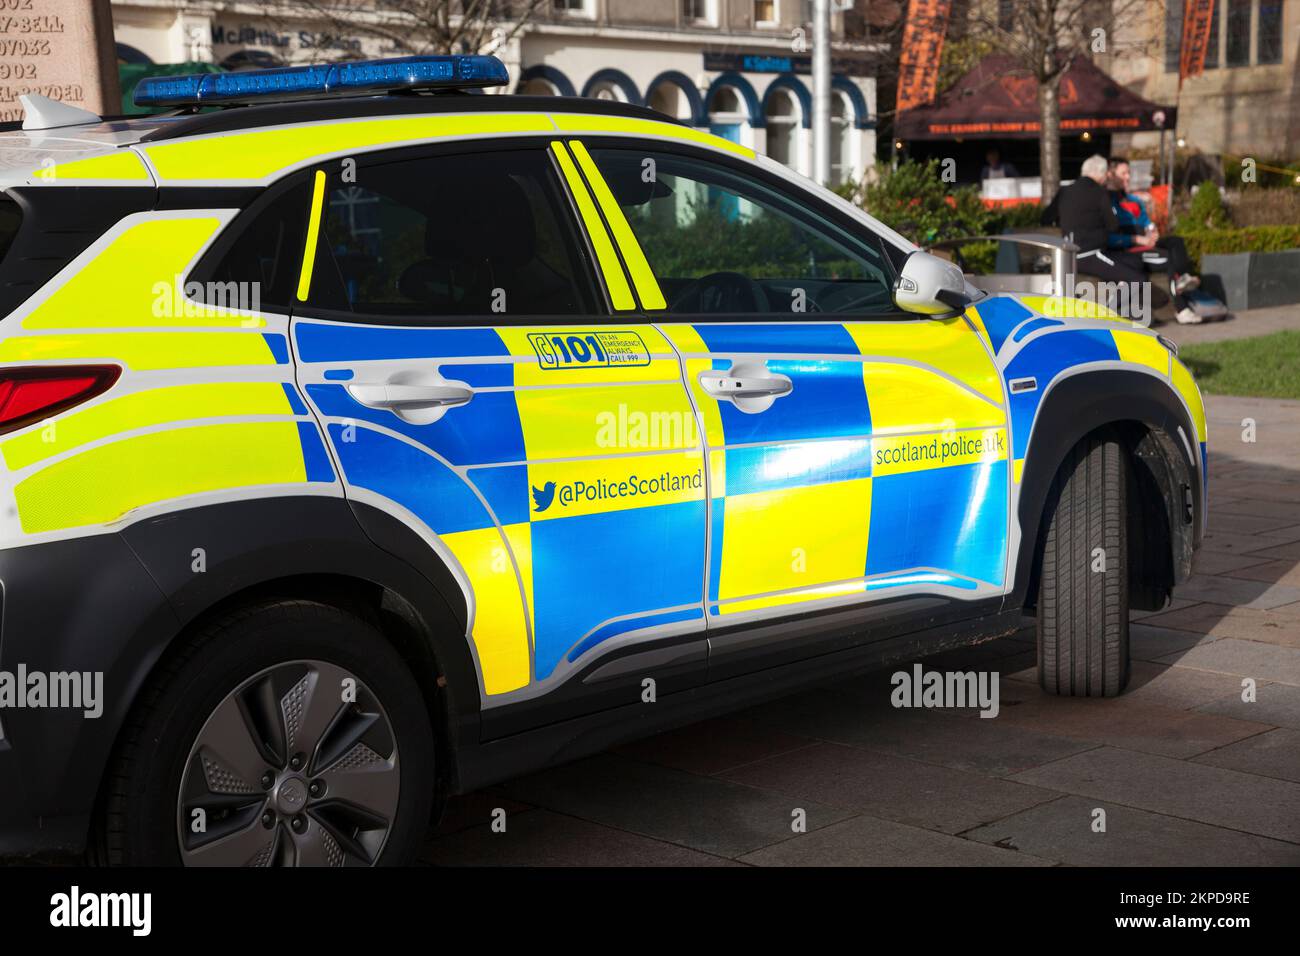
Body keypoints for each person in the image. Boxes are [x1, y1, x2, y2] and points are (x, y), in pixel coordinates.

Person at [1107, 156, 1203, 324]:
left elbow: (1146, 222)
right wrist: (1138, 239)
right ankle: (1181, 308)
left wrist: (1153, 232)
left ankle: (1183, 277)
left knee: (1175, 241)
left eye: (1129, 173)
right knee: (1167, 258)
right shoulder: (1106, 202)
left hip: (1143, 243)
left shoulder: (1133, 200)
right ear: (1110, 174)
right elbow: (1109, 236)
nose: (1128, 177)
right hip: (1127, 249)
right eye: (1123, 173)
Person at [1041, 154, 1147, 289]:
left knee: (1134, 262)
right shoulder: (1100, 193)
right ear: (1102, 174)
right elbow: (1113, 226)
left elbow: (1045, 218)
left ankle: (1119, 297)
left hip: (1069, 254)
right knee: (1137, 279)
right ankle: (1109, 309)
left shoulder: (1065, 191)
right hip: (1089, 255)